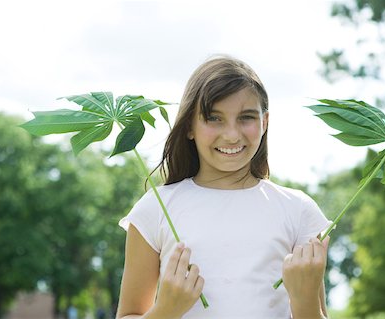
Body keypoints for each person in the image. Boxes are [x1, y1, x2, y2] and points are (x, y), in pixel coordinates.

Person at [116, 55, 331, 319]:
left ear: (265, 122)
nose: (231, 134)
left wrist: (305, 299)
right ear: (189, 127)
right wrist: (166, 310)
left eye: (246, 118)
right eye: (214, 118)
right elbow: (128, 313)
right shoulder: (155, 208)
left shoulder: (298, 210)